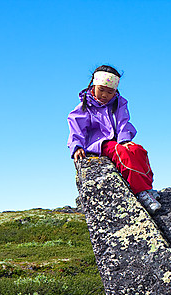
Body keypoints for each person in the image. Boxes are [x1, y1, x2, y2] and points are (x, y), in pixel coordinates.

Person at [67, 65, 161, 213]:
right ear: (93, 84)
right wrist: (76, 146)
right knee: (120, 153)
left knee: (137, 150)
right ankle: (140, 192)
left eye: (109, 92)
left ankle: (148, 187)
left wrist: (125, 140)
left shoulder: (119, 102)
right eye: (101, 90)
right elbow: (76, 126)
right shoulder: (86, 105)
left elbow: (124, 122)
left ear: (115, 91)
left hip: (118, 140)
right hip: (98, 144)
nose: (104, 95)